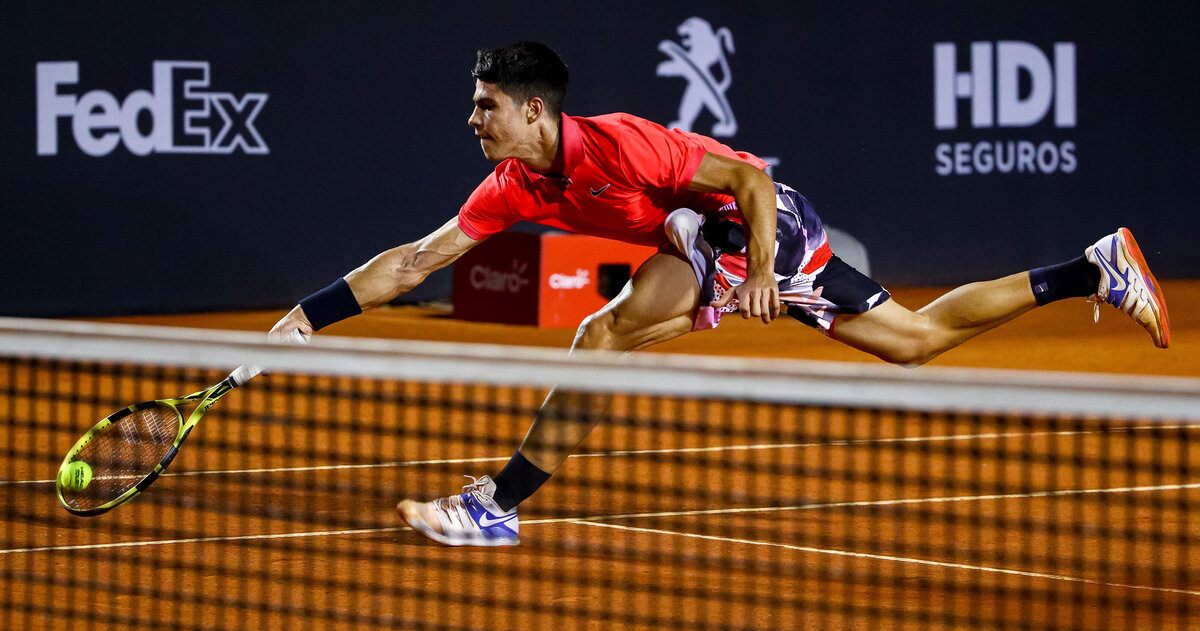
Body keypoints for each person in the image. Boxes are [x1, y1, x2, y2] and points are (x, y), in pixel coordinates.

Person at [268, 41, 1170, 547]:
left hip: (750, 229)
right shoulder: (513, 185)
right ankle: (1090, 269)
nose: (473, 120)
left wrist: (768, 270)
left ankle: (495, 504)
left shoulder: (622, 144)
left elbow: (747, 181)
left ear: (535, 111)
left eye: (485, 105)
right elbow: (412, 263)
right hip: (712, 244)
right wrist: (308, 315)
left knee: (603, 337)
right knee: (914, 339)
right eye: (474, 106)